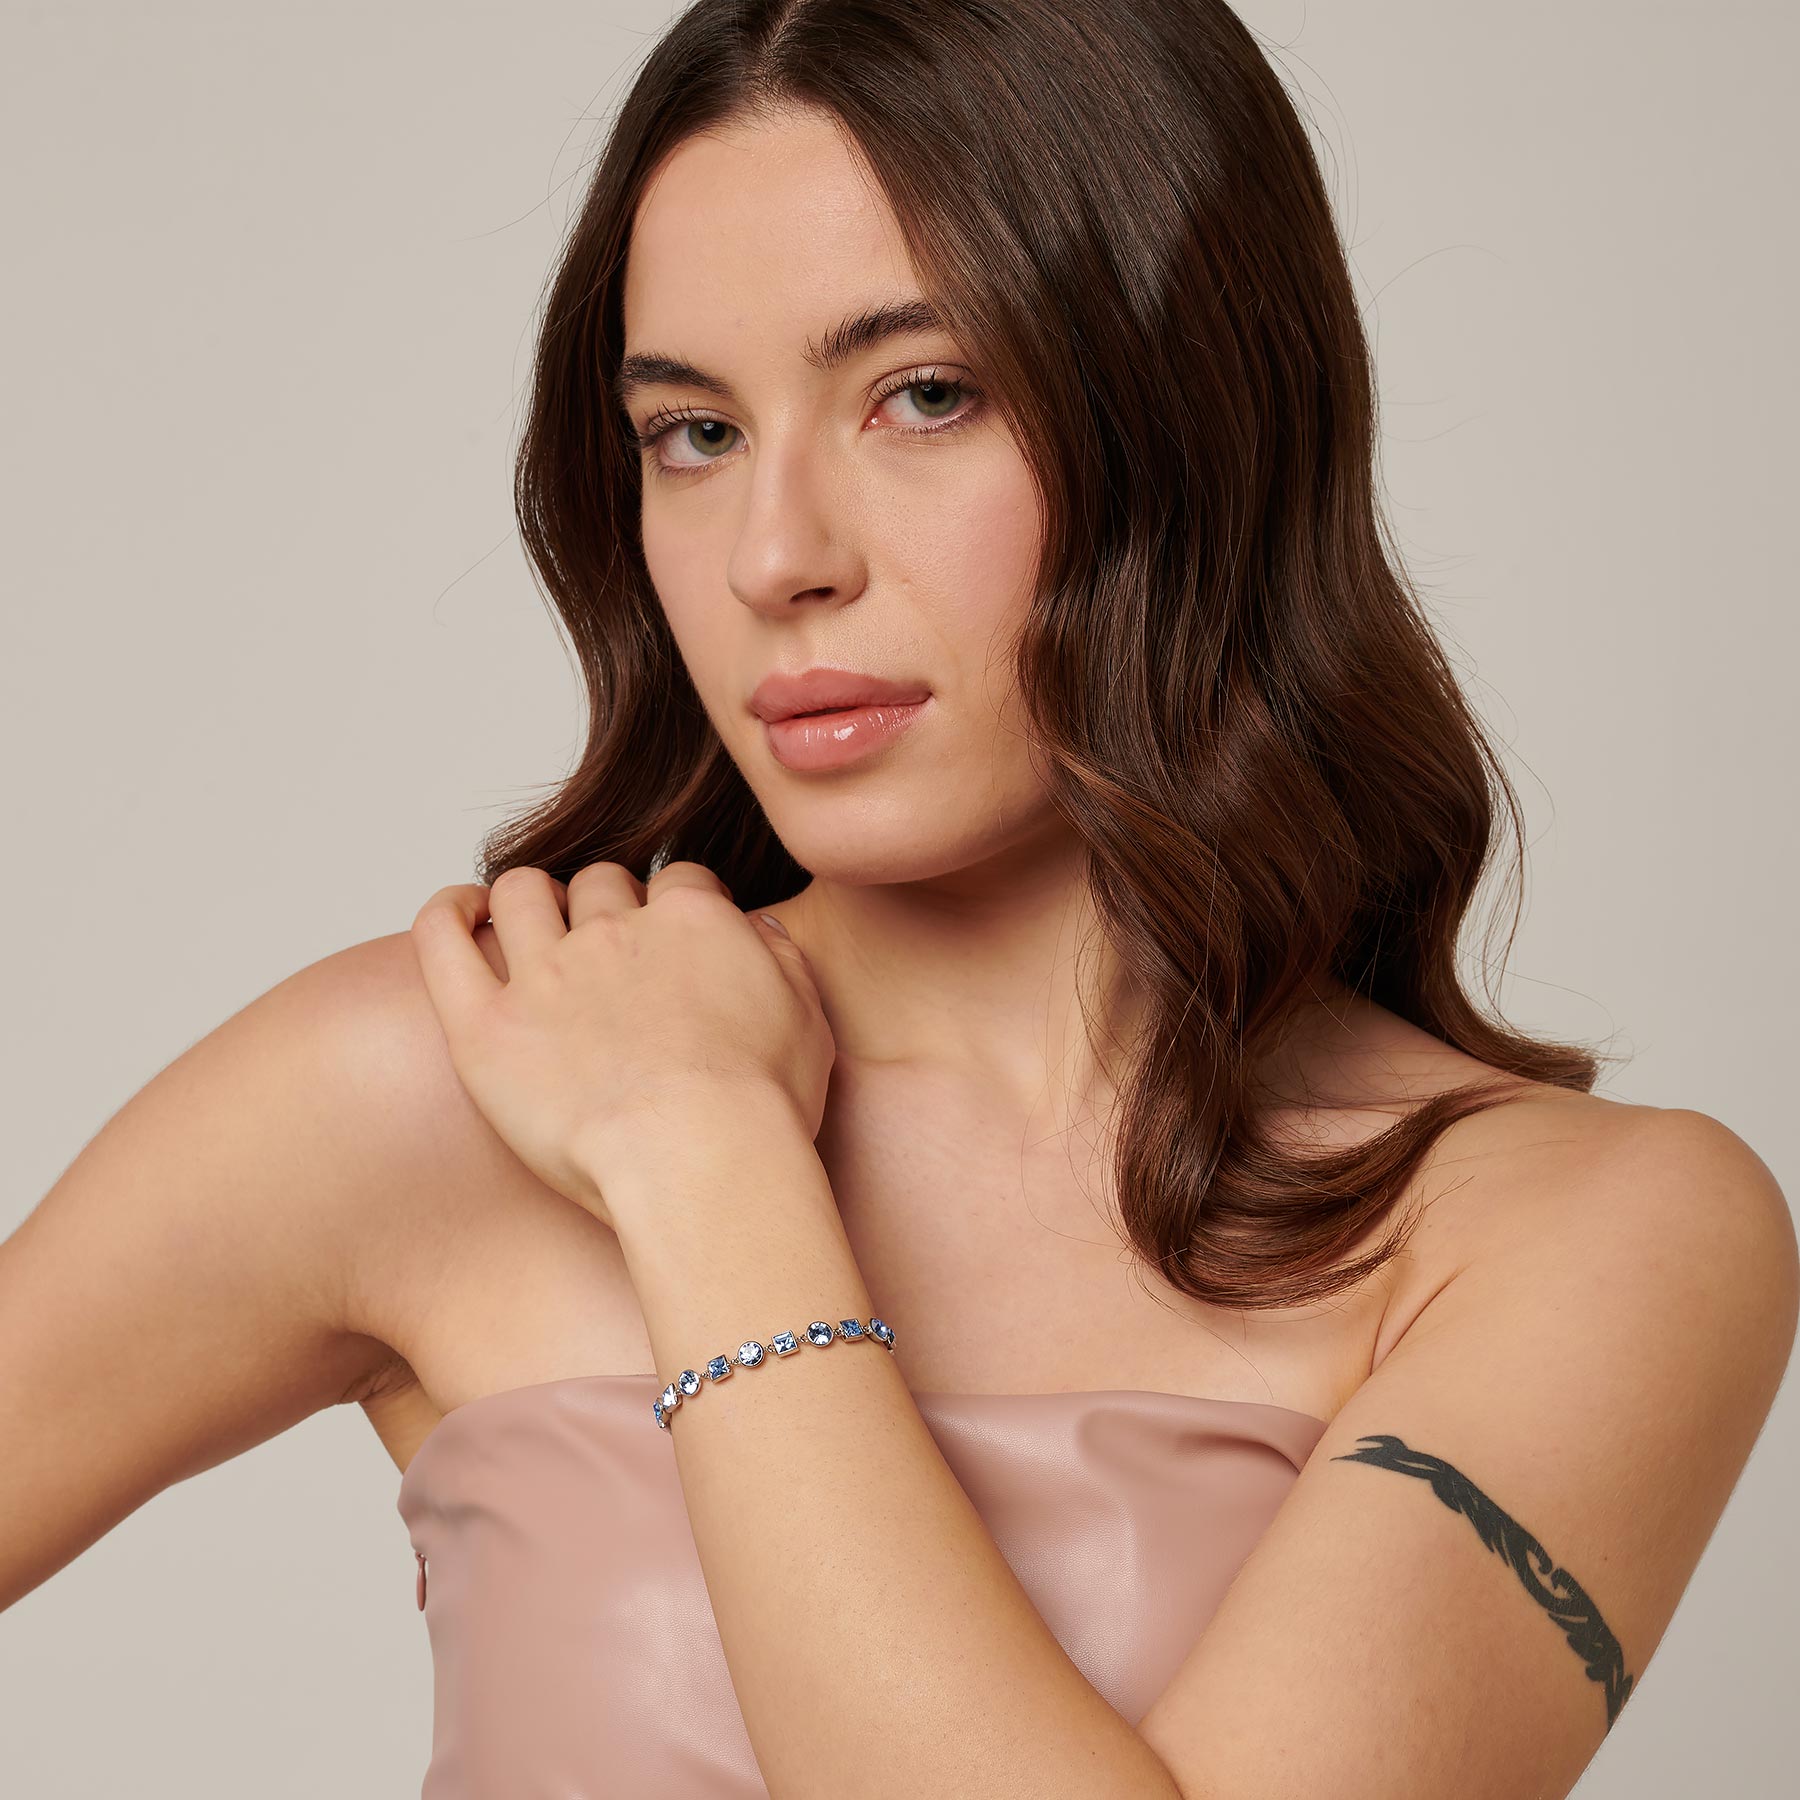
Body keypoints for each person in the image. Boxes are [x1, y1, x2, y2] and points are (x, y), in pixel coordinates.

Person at [4, 2, 1794, 1795]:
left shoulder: (1589, 1234)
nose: (777, 556)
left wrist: (707, 1170)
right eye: (692, 432)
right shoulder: (445, 1076)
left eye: (925, 395)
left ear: (1197, 421)